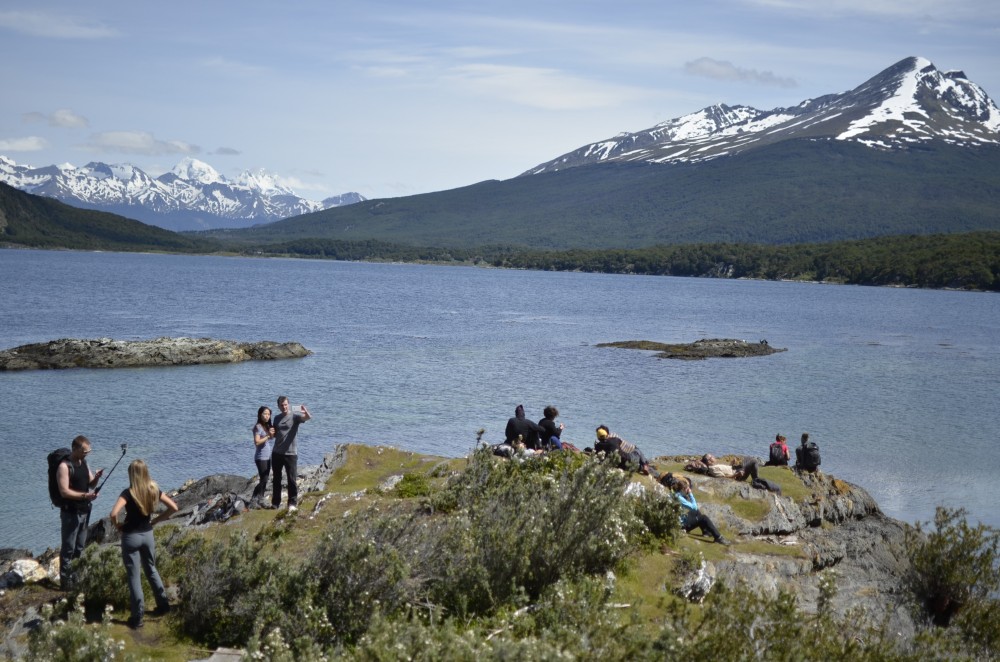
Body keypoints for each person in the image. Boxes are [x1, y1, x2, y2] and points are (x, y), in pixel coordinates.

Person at [110, 459, 178, 629]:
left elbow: (113, 513)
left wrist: (118, 525)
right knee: (151, 569)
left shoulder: (128, 492)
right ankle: (163, 606)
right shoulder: (153, 489)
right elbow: (174, 507)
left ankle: (137, 617)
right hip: (148, 535)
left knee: (134, 577)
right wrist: (156, 521)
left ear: (131, 474)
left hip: (130, 536)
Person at [56, 435, 103, 590]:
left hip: (85, 511)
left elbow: (90, 484)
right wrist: (85, 496)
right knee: (68, 548)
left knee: (79, 547)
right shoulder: (64, 466)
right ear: (75, 449)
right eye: (84, 451)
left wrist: (96, 477)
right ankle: (65, 583)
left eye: (88, 452)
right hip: (70, 513)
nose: (86, 454)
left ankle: (75, 578)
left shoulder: (83, 463)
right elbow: (64, 492)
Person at [271, 395, 311, 511]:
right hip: (276, 452)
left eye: (285, 404)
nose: (284, 406)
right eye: (281, 405)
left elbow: (307, 418)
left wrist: (305, 411)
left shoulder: (294, 416)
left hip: (291, 453)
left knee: (291, 479)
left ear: (288, 404)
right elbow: (275, 435)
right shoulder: (276, 418)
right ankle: (275, 503)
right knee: (276, 479)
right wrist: (271, 432)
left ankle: (292, 503)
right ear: (278, 406)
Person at [673, 477, 730, 545]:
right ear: (683, 489)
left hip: (678, 521)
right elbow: (694, 507)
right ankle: (718, 537)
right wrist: (691, 494)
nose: (688, 490)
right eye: (687, 489)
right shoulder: (679, 498)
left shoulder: (675, 494)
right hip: (681, 525)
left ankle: (706, 532)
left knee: (696, 512)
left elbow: (695, 510)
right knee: (704, 518)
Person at [251, 406, 275, 506]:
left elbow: (271, 437)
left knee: (265, 478)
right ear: (260, 415)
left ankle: (256, 498)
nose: (267, 416)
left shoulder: (266, 427)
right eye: (265, 414)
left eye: (268, 414)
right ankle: (259, 499)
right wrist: (268, 436)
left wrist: (272, 433)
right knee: (264, 478)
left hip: (267, 457)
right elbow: (257, 442)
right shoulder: (258, 427)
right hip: (260, 457)